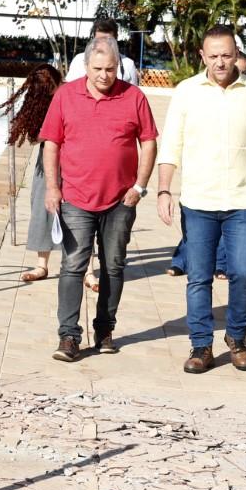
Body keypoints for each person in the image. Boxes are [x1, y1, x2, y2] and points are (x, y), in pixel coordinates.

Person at [156, 25, 246, 374]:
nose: (220, 62)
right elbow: (171, 145)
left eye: (226, 55)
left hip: (243, 200)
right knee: (199, 277)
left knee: (243, 273)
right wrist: (164, 190)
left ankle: (237, 338)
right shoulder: (186, 92)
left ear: (236, 53)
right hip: (198, 201)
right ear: (202, 56)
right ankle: (201, 345)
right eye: (213, 56)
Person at [41, 35, 158, 361]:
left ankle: (105, 330)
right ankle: (68, 336)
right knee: (73, 266)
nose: (104, 75)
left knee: (114, 266)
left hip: (120, 200)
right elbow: (52, 143)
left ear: (118, 66)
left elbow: (149, 142)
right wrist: (52, 187)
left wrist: (140, 187)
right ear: (86, 66)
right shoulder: (66, 95)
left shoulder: (134, 97)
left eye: (110, 69)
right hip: (75, 198)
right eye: (97, 69)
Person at [0, 64, 64, 283]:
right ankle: (42, 265)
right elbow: (33, 137)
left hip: (75, 158)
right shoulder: (39, 100)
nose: (50, 93)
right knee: (43, 208)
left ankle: (86, 270)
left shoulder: (72, 94)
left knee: (80, 213)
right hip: (49, 159)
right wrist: (52, 131)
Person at [65, 18, 140, 84]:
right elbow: (69, 89)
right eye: (99, 40)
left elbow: (132, 93)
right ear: (93, 38)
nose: (104, 43)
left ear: (116, 38)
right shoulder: (79, 60)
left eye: (108, 40)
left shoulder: (128, 64)